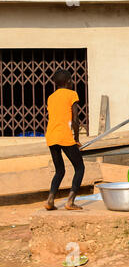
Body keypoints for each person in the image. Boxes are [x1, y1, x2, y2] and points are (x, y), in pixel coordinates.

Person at [44, 69, 85, 211]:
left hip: (51, 136)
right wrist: (77, 138)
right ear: (68, 81)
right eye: (72, 80)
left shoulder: (51, 97)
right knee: (79, 168)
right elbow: (75, 119)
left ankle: (50, 200)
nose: (73, 82)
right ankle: (71, 201)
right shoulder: (72, 94)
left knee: (59, 170)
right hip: (65, 136)